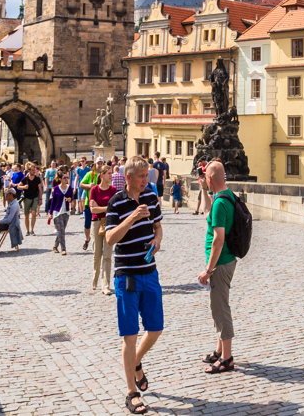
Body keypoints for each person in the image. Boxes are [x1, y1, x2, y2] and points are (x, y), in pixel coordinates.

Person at [105, 156, 165, 414]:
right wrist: (131, 217)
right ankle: (132, 393)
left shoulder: (151, 196)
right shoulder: (116, 202)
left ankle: (135, 363)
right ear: (128, 178)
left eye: (146, 176)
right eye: (141, 177)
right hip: (126, 275)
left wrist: (158, 240)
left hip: (149, 272)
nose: (145, 181)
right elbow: (109, 238)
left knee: (155, 329)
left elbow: (158, 225)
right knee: (129, 336)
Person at [198, 160, 241, 373]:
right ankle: (219, 350)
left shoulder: (220, 203)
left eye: (206, 177)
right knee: (219, 305)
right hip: (227, 260)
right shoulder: (226, 196)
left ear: (211, 178)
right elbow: (208, 214)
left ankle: (226, 358)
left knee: (220, 308)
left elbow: (218, 239)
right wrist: (202, 189)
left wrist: (208, 270)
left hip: (221, 263)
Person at [89, 162, 117, 294]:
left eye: (111, 173)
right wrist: (107, 208)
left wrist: (102, 208)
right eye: (109, 173)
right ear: (102, 175)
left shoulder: (113, 191)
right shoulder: (94, 189)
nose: (111, 175)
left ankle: (105, 284)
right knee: (97, 253)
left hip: (109, 223)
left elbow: (116, 207)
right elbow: (92, 208)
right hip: (96, 222)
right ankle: (95, 278)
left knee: (107, 254)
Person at [47, 168, 75, 255]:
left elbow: (71, 198)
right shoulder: (55, 189)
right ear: (60, 179)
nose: (66, 179)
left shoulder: (69, 188)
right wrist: (50, 213)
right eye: (64, 178)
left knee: (61, 231)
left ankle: (55, 246)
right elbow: (52, 202)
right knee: (61, 231)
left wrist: (70, 199)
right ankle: (63, 249)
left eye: (67, 178)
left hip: (66, 212)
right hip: (57, 212)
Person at [80, 157, 103, 250]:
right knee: (87, 224)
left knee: (98, 223)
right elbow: (81, 184)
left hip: (100, 204)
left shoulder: (103, 175)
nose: (100, 165)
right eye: (98, 163)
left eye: (101, 163)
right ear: (95, 164)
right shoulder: (90, 174)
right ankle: (87, 238)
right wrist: (89, 186)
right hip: (88, 203)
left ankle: (96, 242)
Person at [17, 163, 43, 236]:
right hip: (27, 198)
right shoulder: (25, 179)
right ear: (29, 170)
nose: (34, 171)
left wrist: (40, 199)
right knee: (26, 215)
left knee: (34, 213)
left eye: (34, 170)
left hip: (35, 197)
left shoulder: (37, 179)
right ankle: (27, 230)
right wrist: (24, 187)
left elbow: (40, 189)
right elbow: (18, 186)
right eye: (32, 170)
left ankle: (32, 230)